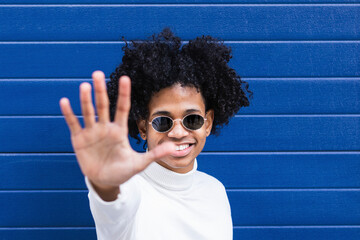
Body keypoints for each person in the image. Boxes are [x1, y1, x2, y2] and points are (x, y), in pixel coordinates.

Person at [59, 28, 251, 240]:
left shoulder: (215, 191)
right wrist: (106, 184)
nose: (178, 132)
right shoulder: (130, 188)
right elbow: (114, 206)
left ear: (208, 122)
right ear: (143, 128)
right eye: (162, 122)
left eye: (192, 119)